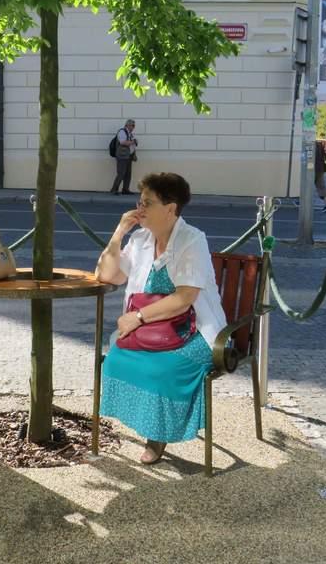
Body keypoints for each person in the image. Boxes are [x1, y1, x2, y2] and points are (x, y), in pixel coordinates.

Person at [95, 172, 226, 464]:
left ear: (171, 208)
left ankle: (157, 436)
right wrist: (119, 232)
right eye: (139, 202)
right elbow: (107, 275)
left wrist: (137, 317)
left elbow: (184, 299)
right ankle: (145, 420)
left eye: (147, 203)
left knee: (162, 369)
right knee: (116, 359)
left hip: (195, 332)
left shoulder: (192, 240)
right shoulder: (141, 237)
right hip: (152, 330)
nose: (139, 209)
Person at [110, 119, 138, 195]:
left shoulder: (130, 133)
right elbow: (123, 142)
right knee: (121, 173)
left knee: (128, 174)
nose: (133, 127)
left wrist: (134, 154)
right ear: (127, 125)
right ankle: (114, 189)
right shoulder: (122, 132)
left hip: (129, 156)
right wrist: (133, 142)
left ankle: (125, 189)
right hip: (122, 156)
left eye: (134, 126)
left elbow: (133, 145)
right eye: (132, 125)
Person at [315, 140, 326, 213]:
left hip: (311, 169)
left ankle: (301, 201)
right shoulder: (319, 144)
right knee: (321, 186)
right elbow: (324, 156)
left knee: (305, 185)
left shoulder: (308, 144)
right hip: (320, 168)